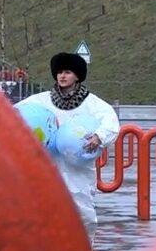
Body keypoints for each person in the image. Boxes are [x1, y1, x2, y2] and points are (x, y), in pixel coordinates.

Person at [17, 53, 119, 234]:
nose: (62, 76)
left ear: (77, 76)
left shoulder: (93, 104)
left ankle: (83, 250)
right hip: (47, 165)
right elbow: (14, 112)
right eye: (59, 72)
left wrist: (99, 137)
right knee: (44, 212)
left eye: (67, 72)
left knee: (83, 216)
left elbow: (111, 123)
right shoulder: (41, 101)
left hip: (78, 169)